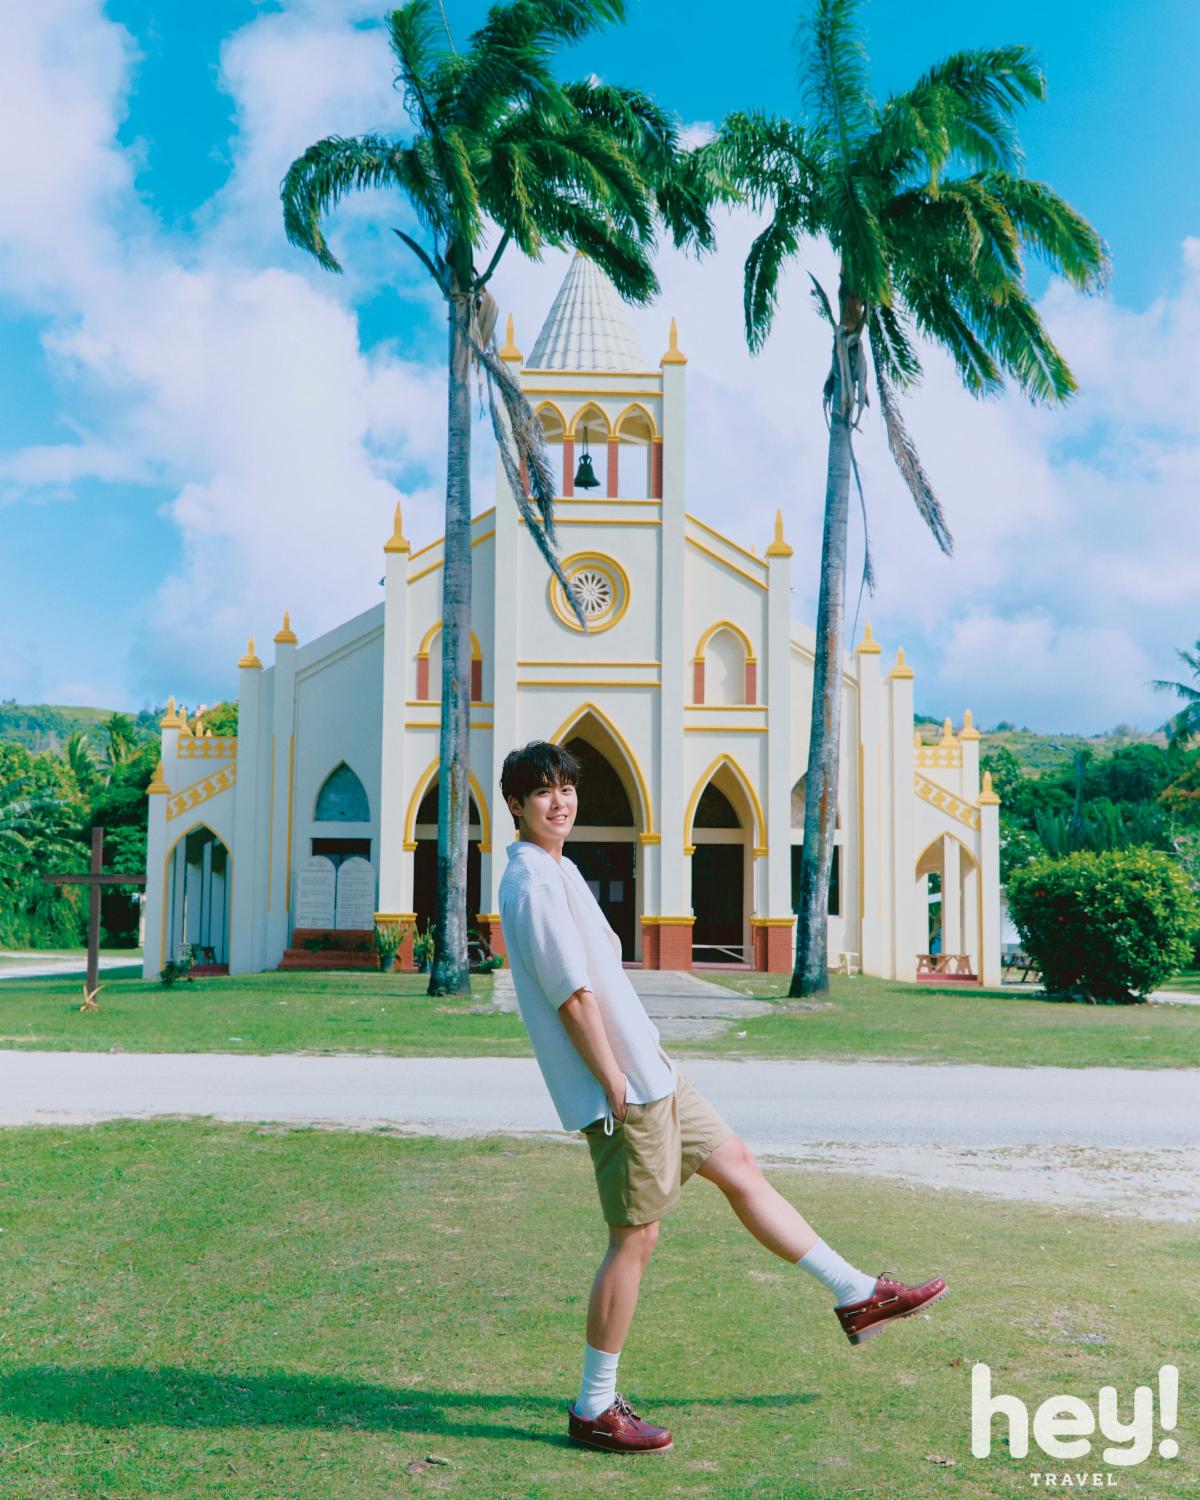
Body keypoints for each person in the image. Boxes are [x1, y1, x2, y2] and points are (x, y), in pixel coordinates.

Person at [497, 740, 948, 1456]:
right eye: (543, 792)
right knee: (634, 1239)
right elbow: (572, 997)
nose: (561, 801)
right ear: (515, 804)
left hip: (657, 1074)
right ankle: (594, 1406)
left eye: (567, 788)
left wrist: (643, 1067)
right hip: (624, 1088)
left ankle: (857, 1293)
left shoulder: (562, 868)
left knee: (739, 1166)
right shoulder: (530, 881)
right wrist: (612, 1080)